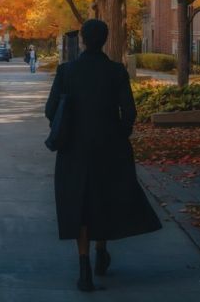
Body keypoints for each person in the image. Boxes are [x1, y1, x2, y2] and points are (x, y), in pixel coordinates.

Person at [44, 19, 161, 292]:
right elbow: (129, 111)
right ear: (105, 40)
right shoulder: (116, 72)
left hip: (74, 148)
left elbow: (51, 110)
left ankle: (84, 265)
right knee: (104, 198)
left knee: (80, 203)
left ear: (83, 40)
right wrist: (120, 133)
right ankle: (101, 250)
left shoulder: (66, 72)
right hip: (110, 147)